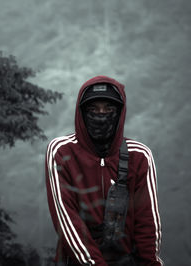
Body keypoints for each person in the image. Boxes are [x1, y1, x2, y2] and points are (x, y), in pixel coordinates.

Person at [45, 76, 163, 265]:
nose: (101, 115)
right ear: (81, 112)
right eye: (93, 109)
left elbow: (147, 224)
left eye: (109, 109)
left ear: (120, 113)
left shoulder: (139, 155)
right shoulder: (61, 151)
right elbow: (67, 220)